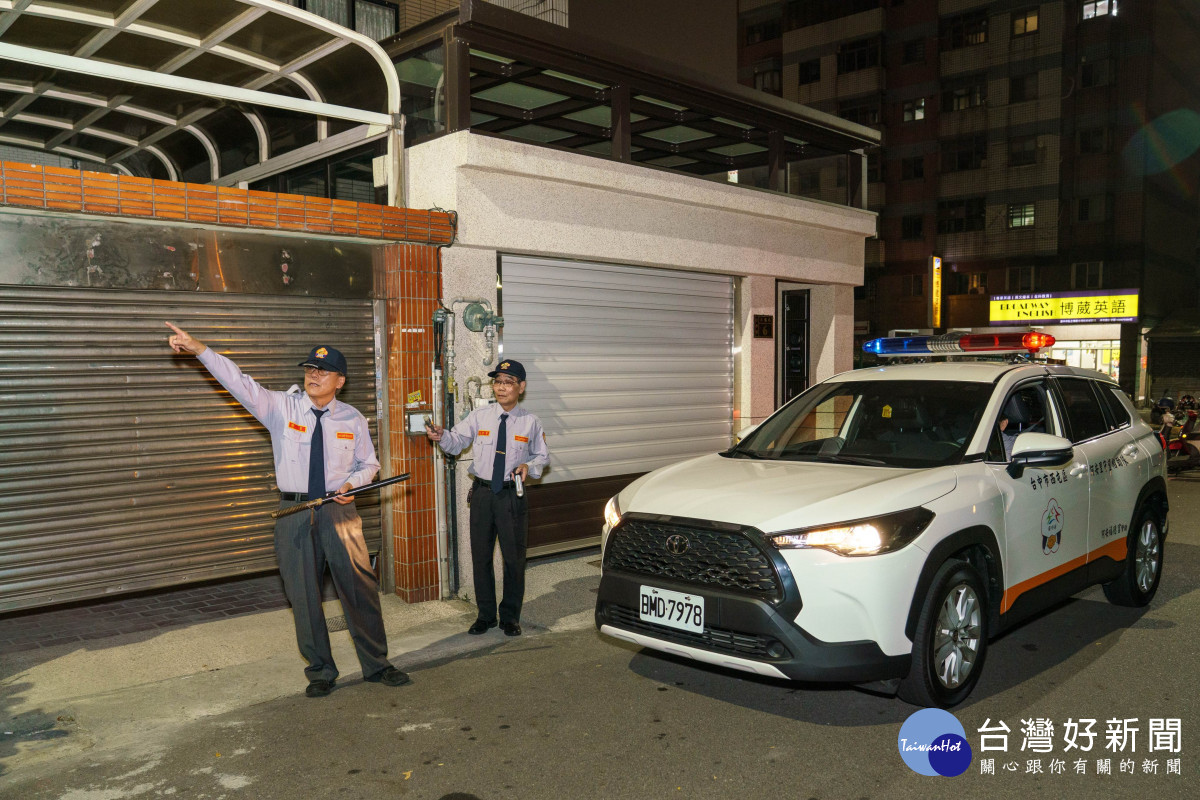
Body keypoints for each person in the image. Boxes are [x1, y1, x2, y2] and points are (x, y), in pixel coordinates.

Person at [165, 322, 410, 698]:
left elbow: (369, 465)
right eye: (310, 368)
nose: (314, 375)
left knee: (359, 589)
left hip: (339, 512)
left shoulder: (353, 418)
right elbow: (239, 382)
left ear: (340, 381)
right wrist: (199, 349)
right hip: (294, 513)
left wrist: (352, 485)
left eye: (323, 371)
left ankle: (377, 665)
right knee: (303, 595)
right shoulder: (281, 407)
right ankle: (321, 670)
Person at [425, 359, 549, 637]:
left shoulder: (530, 422)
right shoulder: (479, 416)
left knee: (513, 559)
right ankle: (485, 615)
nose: (501, 387)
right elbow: (456, 442)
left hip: (511, 496)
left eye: (508, 382)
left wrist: (529, 465)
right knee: (480, 557)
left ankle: (510, 617)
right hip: (482, 495)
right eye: (497, 382)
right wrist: (441, 436)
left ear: (521, 387)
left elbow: (542, 456)